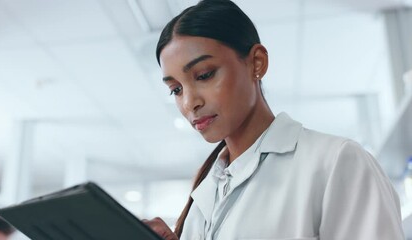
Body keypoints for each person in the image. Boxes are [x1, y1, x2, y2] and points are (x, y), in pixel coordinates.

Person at [143, 0, 405, 239]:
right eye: (176, 89)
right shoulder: (206, 191)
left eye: (204, 75)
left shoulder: (335, 162)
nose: (189, 103)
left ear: (256, 62)